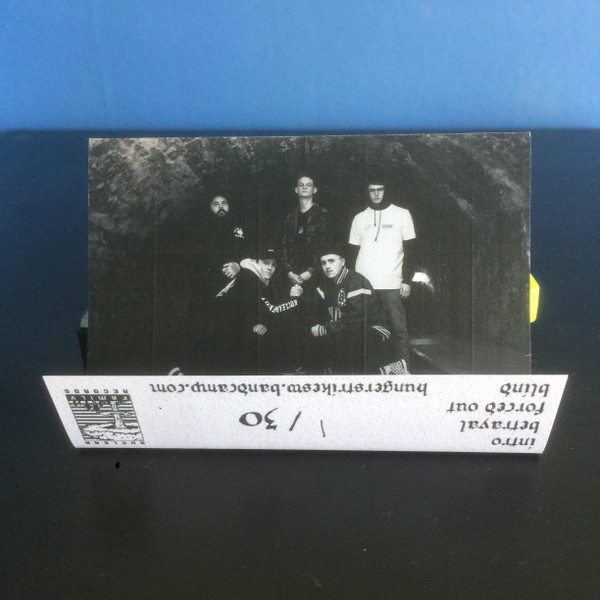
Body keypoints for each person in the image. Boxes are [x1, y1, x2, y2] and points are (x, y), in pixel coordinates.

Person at [349, 178, 416, 372]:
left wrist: (407, 280)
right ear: (367, 192)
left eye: (380, 189)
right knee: (364, 329)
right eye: (372, 190)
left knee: (398, 329)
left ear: (387, 191)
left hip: (392, 282)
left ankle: (403, 370)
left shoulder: (402, 214)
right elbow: (352, 253)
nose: (376, 193)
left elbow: (412, 250)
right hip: (364, 284)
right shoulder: (359, 218)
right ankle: (370, 370)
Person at [307, 247, 398, 374]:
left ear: (342, 262)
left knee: (343, 337)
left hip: (374, 329)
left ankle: (387, 370)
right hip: (348, 329)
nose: (327, 266)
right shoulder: (327, 283)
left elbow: (355, 320)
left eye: (331, 261)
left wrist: (323, 329)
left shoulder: (355, 281)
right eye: (323, 263)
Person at [215, 246, 302, 374]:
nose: (270, 268)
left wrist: (262, 323)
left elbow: (262, 308)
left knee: (272, 326)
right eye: (265, 263)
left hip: (233, 325)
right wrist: (293, 298)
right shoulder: (250, 278)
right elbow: (272, 310)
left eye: (273, 264)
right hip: (221, 330)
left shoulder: (259, 278)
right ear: (256, 262)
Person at [282, 175, 333, 287]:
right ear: (296, 189)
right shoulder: (290, 218)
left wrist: (310, 271)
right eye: (301, 185)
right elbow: (285, 246)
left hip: (317, 276)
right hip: (293, 276)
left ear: (314, 190)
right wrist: (289, 272)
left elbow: (326, 247)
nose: (304, 187)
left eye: (308, 185)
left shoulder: (322, 215)